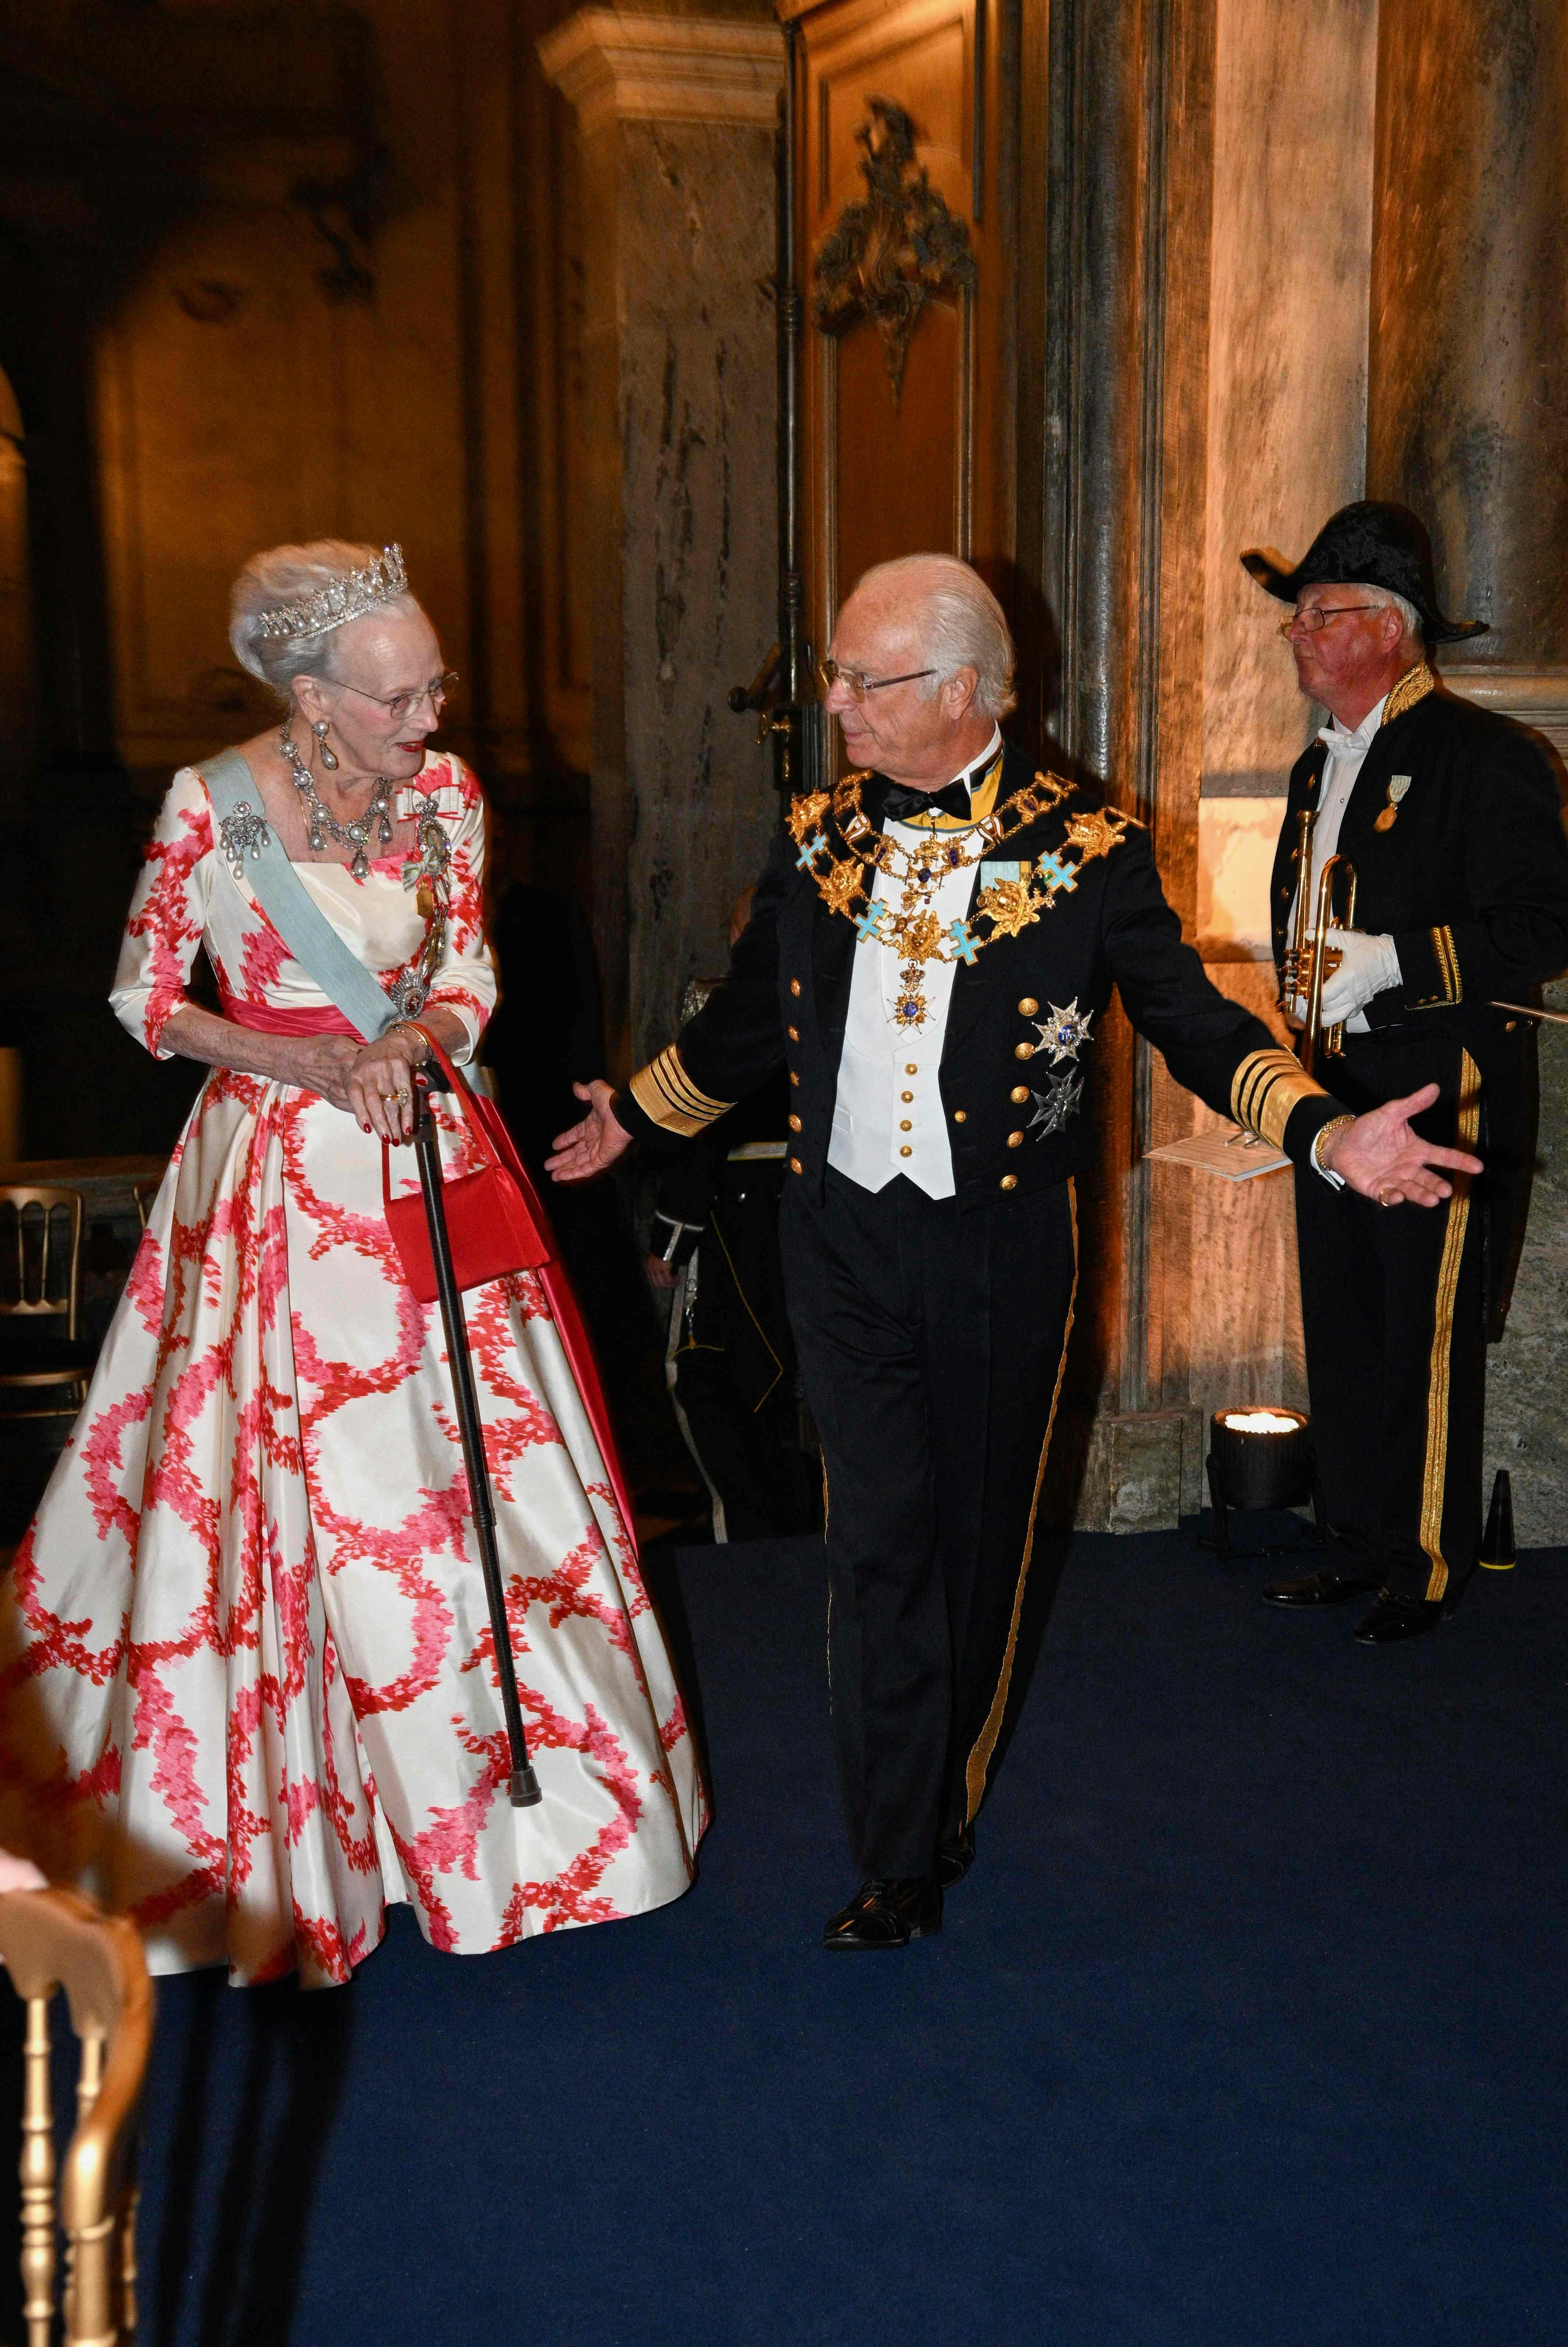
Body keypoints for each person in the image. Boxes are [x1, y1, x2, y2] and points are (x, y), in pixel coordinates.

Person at [548, 551, 1476, 1952]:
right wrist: (643, 1111)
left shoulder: (1087, 850)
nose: (839, 705)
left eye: (866, 681)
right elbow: (749, 1020)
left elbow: (1192, 1022)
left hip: (995, 1251)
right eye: (838, 678)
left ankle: (943, 1790)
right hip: (838, 1239)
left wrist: (1328, 1135)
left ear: (963, 690)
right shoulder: (819, 836)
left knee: (975, 1543)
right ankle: (896, 1846)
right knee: (876, 1541)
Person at [0, 540, 705, 1985]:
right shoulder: (215, 809)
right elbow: (145, 996)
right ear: (312, 698)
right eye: (398, 700)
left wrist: (411, 1040)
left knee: (464, 1482)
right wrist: (297, 1057)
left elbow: (470, 977)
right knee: (266, 1494)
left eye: (434, 687)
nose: (430, 722)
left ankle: (508, 1829)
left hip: (427, 1172)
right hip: (270, 1180)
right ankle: (277, 1839)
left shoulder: (445, 796)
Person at [1241, 501, 1568, 1643]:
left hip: (1445, 1090)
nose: (1296, 636)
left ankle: (1423, 1564)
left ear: (1392, 626)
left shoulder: (1488, 756)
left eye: (1318, 615)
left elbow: (1542, 928)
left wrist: (1390, 965)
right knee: (1342, 1318)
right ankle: (1357, 1537)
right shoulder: (1309, 768)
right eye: (1297, 619)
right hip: (1335, 1090)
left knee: (1420, 1332)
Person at [646, 890, 807, 1542]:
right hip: (808, 1213)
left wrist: (671, 1234)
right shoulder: (826, 994)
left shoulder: (720, 1004)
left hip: (734, 1219)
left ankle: (747, 1535)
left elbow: (699, 1124)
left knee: (707, 1374)